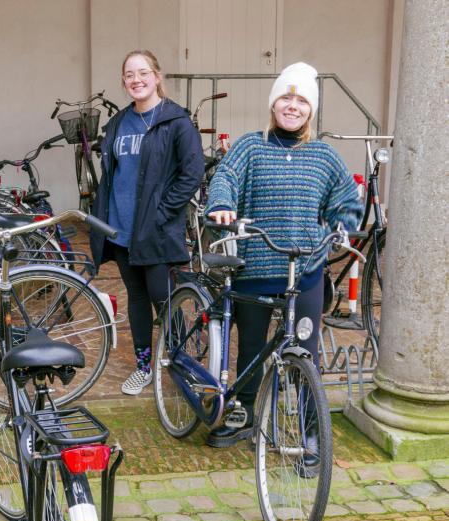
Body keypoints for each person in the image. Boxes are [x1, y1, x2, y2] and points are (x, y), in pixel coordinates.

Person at [204, 62, 364, 451]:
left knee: (305, 354)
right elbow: (225, 177)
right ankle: (242, 414)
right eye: (286, 98)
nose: (293, 106)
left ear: (311, 109)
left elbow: (346, 200)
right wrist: (223, 204)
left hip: (305, 270)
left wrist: (341, 227)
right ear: (274, 103)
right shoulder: (250, 145)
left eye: (302, 101)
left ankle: (311, 432)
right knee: (252, 349)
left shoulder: (324, 156)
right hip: (256, 269)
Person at [90, 49, 204, 395]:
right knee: (137, 298)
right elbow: (112, 176)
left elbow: (192, 173)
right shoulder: (117, 124)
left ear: (157, 76)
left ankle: (180, 361)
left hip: (155, 230)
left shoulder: (176, 122)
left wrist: (162, 212)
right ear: (124, 82)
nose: (136, 80)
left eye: (142, 73)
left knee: (164, 298)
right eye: (129, 75)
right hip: (121, 228)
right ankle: (143, 366)